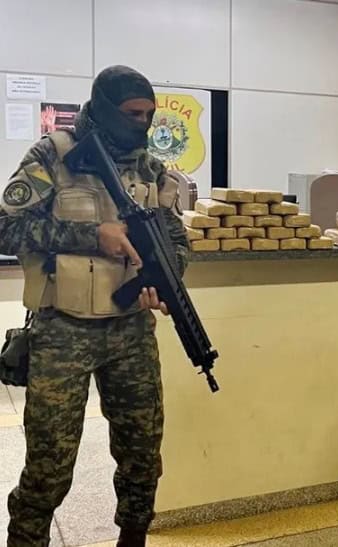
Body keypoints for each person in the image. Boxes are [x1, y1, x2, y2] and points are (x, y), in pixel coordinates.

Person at [0, 66, 190, 547]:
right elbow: (6, 227)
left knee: (142, 453)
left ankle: (134, 538)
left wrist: (163, 281)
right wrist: (91, 236)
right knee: (49, 466)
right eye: (132, 113)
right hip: (62, 332)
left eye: (148, 114)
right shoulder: (53, 155)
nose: (142, 123)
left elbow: (176, 241)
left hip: (131, 331)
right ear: (104, 109)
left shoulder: (150, 167)